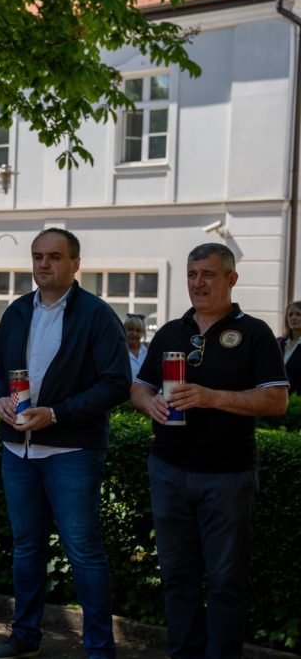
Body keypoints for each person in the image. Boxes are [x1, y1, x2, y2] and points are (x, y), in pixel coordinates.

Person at [130, 242, 288, 658]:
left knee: (225, 582)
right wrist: (150, 403)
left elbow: (277, 400)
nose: (198, 283)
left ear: (231, 279)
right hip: (168, 470)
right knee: (177, 578)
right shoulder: (170, 331)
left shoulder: (254, 333)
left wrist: (210, 397)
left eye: (208, 275)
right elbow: (138, 387)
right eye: (192, 274)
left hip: (227, 476)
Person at [0, 228, 130, 659]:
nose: (43, 264)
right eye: (37, 256)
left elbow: (117, 383)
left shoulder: (97, 315)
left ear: (75, 263)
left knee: (84, 552)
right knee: (26, 549)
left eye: (54, 256)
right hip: (18, 450)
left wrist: (57, 413)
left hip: (72, 452)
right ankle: (24, 637)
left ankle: (99, 649)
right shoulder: (16, 311)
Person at [278, 300, 301, 395]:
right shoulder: (280, 342)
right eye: (290, 315)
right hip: (278, 397)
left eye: (298, 314)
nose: (293, 317)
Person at [125, 314, 148, 378]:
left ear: (143, 333)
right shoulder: (119, 352)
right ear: (124, 330)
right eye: (130, 329)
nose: (134, 333)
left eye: (138, 331)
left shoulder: (148, 351)